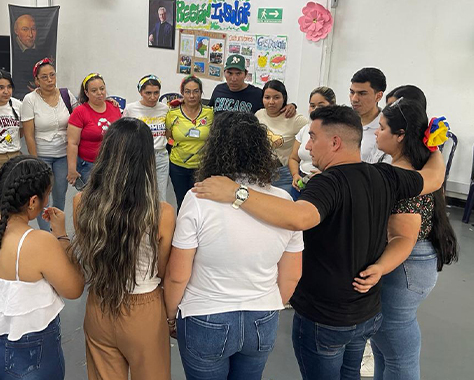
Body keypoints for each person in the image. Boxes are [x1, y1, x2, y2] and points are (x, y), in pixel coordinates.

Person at [190, 105, 446, 380]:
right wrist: (434, 145)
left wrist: (236, 193)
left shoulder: (328, 183)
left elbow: (300, 218)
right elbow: (434, 177)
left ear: (335, 142)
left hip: (325, 319)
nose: (307, 146)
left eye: (313, 136)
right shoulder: (384, 175)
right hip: (365, 314)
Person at [164, 111, 303, 379]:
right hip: (262, 318)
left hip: (206, 316)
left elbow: (177, 275)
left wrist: (171, 316)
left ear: (214, 148)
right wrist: (267, 304)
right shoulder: (284, 202)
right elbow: (292, 274)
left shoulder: (199, 198)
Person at [0, 155, 84, 380]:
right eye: (46, 195)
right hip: (26, 353)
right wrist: (61, 235)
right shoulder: (37, 242)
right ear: (33, 201)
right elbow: (74, 288)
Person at [72, 117, 175, 379]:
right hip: (144, 308)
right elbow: (162, 270)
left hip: (99, 302)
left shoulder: (80, 202)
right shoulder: (161, 213)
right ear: (147, 159)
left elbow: (87, 249)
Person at [370, 97, 458, 379]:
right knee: (385, 348)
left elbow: (403, 239)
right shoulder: (422, 167)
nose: (376, 132)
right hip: (412, 265)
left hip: (404, 266)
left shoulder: (406, 179)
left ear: (400, 136)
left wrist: (379, 268)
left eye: (382, 128)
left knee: (398, 353)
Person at [21, 58, 79, 231]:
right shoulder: (29, 100)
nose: (49, 80)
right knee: (42, 196)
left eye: (52, 75)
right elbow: (29, 135)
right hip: (42, 156)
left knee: (60, 195)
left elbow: (82, 115)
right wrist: (35, 161)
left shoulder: (66, 95)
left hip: (63, 155)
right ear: (36, 80)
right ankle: (45, 233)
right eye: (44, 77)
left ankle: (58, 230)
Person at [166, 75, 214, 211]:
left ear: (201, 93)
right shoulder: (173, 114)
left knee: (200, 203)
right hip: (178, 166)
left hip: (201, 166)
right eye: (187, 91)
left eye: (196, 91)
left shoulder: (210, 113)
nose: (192, 95)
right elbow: (167, 136)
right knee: (182, 202)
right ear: (182, 93)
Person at [67, 73, 121, 187]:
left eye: (102, 89)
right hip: (88, 165)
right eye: (94, 90)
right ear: (86, 93)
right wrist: (72, 169)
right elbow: (72, 143)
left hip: (111, 164)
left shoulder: (114, 107)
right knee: (90, 200)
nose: (99, 93)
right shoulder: (80, 112)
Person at [255, 80, 308, 192]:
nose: (271, 102)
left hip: (285, 174)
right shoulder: (259, 114)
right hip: (260, 172)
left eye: (276, 97)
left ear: (284, 98)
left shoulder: (295, 119)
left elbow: (313, 132)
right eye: (267, 97)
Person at [123, 74, 170, 201]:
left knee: (160, 197)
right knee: (139, 196)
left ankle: (160, 221)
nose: (153, 97)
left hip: (160, 157)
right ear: (140, 92)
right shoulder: (131, 109)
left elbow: (169, 131)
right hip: (139, 156)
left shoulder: (165, 109)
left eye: (156, 93)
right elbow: (124, 134)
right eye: (148, 93)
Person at [288, 86, 336, 200]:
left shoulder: (338, 132)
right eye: (312, 106)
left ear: (332, 106)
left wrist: (324, 175)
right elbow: (293, 158)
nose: (315, 109)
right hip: (301, 183)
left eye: (321, 105)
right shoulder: (305, 129)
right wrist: (295, 175)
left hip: (325, 185)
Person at [208, 54, 296, 116]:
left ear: (245, 74)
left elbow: (275, 107)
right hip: (218, 140)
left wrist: (292, 106)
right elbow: (207, 112)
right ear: (224, 73)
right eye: (230, 73)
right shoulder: (218, 90)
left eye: (238, 74)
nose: (233, 78)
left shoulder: (257, 94)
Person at [350, 67, 388, 163]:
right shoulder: (343, 122)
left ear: (378, 96)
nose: (354, 99)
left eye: (362, 93)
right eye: (352, 92)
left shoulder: (387, 129)